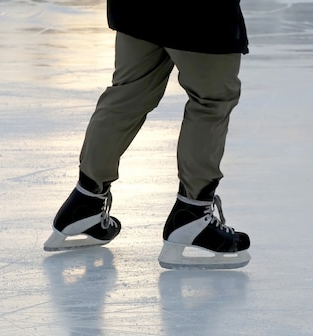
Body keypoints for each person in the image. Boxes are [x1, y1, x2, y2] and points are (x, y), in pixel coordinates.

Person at [43, 0, 251, 269]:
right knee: (211, 101)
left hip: (137, 8)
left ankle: (86, 201)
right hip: (200, 12)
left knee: (127, 95)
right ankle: (192, 214)